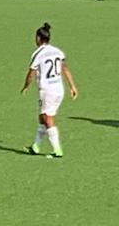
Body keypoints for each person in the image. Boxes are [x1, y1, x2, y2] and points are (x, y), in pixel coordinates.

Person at [21, 23, 78, 158]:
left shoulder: (37, 54)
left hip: (47, 90)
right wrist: (72, 86)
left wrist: (25, 86)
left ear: (39, 38)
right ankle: (36, 146)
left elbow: (31, 73)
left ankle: (57, 150)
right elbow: (65, 68)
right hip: (59, 88)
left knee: (48, 118)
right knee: (42, 117)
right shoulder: (58, 51)